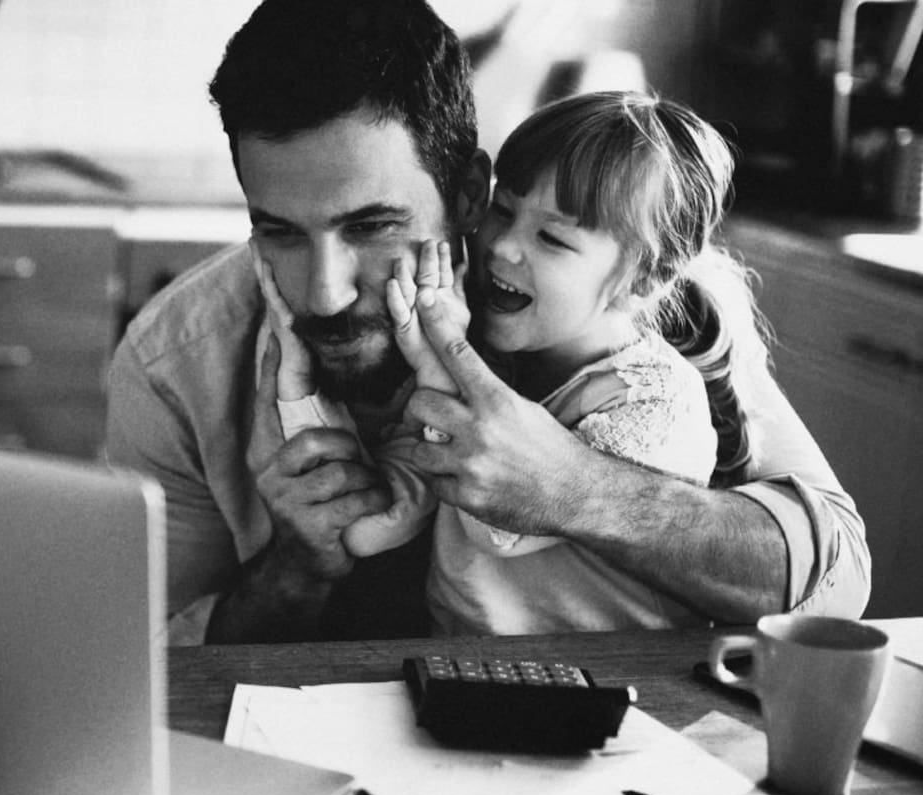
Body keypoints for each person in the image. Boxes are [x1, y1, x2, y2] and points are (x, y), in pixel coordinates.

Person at [105, 0, 870, 645]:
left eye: (372, 227)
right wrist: (295, 570)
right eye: (279, 231)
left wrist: (574, 488)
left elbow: (837, 579)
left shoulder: (621, 310)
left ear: (471, 193)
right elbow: (144, 661)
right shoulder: (177, 361)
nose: (327, 292)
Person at [265, 91, 764, 633]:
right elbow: (368, 529)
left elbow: (499, 523)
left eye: (551, 237)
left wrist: (439, 367)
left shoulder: (656, 402)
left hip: (609, 684)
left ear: (644, 280)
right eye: (504, 210)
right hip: (465, 673)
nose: (502, 246)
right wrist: (295, 382)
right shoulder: (497, 358)